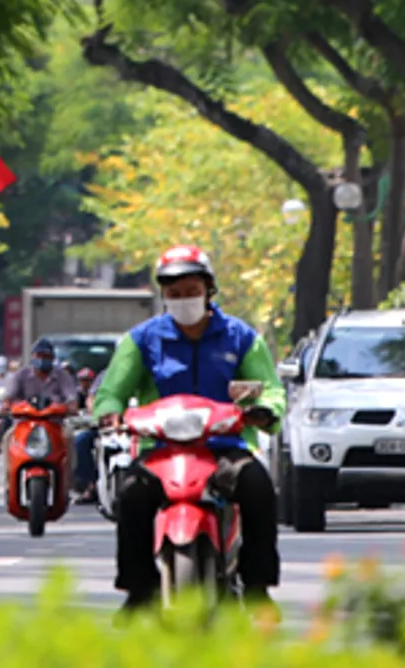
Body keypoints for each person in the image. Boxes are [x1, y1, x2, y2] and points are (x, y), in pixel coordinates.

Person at [92, 245, 285, 613]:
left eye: (191, 291)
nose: (183, 300)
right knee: (131, 494)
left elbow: (271, 388)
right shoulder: (141, 340)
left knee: (259, 487)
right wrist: (109, 413)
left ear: (209, 289)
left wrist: (265, 410)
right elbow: (111, 392)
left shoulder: (241, 337)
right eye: (174, 294)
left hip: (225, 446)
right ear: (163, 296)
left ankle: (258, 586)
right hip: (160, 448)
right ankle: (138, 589)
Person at [0, 338, 81, 406]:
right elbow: (9, 400)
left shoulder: (62, 376)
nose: (42, 359)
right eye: (39, 356)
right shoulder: (21, 375)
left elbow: (72, 400)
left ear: (52, 358)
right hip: (25, 421)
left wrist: (64, 406)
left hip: (53, 422)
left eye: (45, 356)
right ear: (32, 356)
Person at [70, 366, 102, 503]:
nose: (85, 383)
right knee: (80, 441)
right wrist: (97, 413)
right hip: (106, 424)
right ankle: (89, 485)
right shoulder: (107, 374)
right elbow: (92, 398)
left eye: (88, 380)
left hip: (141, 425)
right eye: (83, 380)